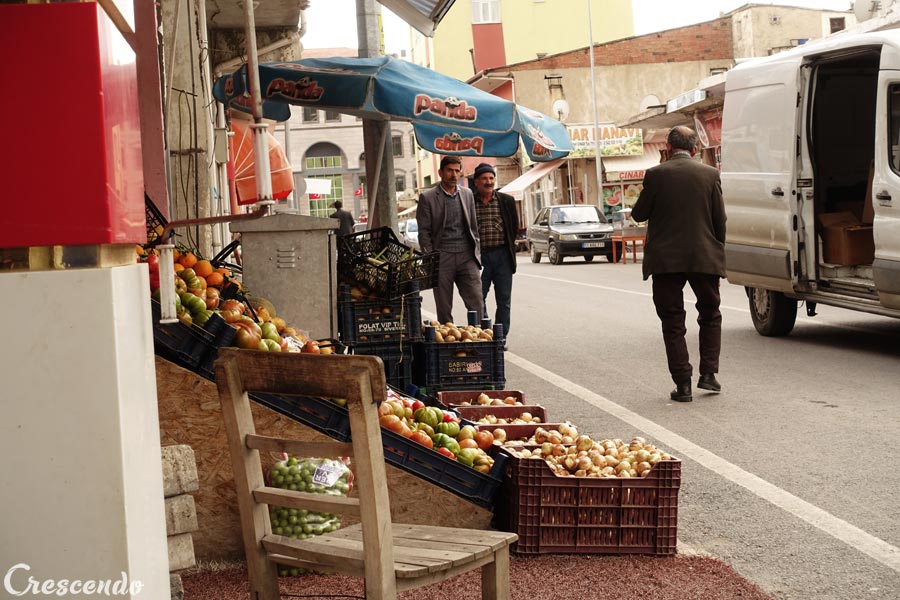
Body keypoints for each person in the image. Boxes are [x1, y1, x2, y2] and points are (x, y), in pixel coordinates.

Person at [631, 126, 726, 402]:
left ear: (668, 148)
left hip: (666, 261)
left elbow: (639, 214)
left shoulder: (656, 175)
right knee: (710, 314)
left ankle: (683, 383)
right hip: (703, 257)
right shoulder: (710, 175)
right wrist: (717, 261)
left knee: (673, 321)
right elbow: (720, 221)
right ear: (695, 149)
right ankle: (709, 374)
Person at [417, 156, 484, 325]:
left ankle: (479, 339)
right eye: (449, 170)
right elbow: (424, 233)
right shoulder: (428, 197)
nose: (454, 175)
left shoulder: (467, 194)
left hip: (466, 256)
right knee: (444, 308)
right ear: (440, 172)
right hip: (441, 257)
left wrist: (476, 253)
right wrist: (431, 258)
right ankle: (448, 346)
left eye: (457, 170)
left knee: (477, 302)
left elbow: (474, 227)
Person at [472, 162, 518, 342]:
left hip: (503, 257)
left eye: (491, 178)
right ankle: (484, 333)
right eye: (484, 178)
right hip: (479, 257)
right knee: (478, 299)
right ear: (476, 182)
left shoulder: (506, 201)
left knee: (504, 300)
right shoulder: (469, 201)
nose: (488, 181)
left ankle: (500, 337)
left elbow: (512, 227)